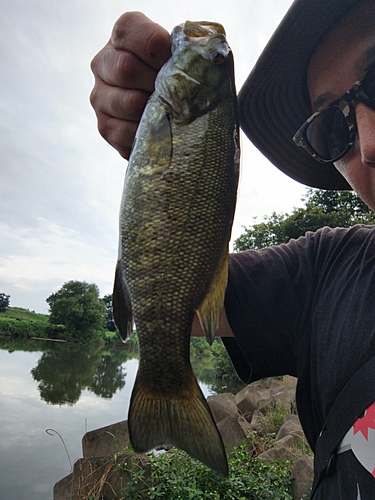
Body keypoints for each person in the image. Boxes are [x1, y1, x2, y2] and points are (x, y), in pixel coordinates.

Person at [90, 1, 375, 497]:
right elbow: (185, 298)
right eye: (334, 127)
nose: (369, 144)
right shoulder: (326, 270)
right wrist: (162, 185)